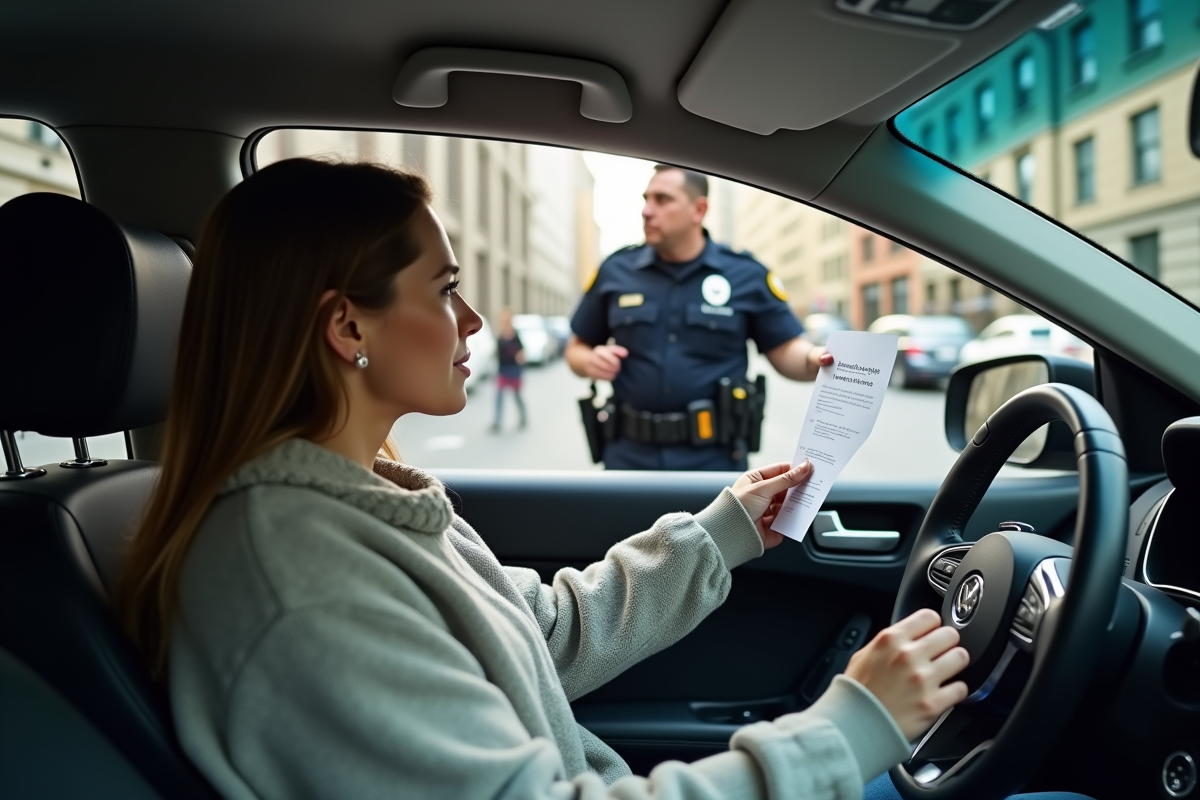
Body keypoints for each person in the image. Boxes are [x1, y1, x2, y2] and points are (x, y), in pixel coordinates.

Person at [114, 159, 1088, 800]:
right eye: (446, 289)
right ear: (347, 326)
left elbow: (533, 634)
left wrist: (722, 531)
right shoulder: (297, 577)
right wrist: (849, 727)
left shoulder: (353, 494)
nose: (476, 326)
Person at [566, 164, 834, 471]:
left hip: (713, 461)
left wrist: (815, 358)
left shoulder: (745, 274)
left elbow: (786, 349)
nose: (647, 211)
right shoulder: (616, 271)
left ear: (699, 209)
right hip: (629, 457)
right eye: (646, 199)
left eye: (662, 199)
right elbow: (576, 347)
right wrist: (588, 361)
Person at [491, 307, 527, 431]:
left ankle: (523, 418)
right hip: (503, 370)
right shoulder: (499, 335)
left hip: (514, 370)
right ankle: (497, 422)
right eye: (502, 319)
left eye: (506, 319)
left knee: (517, 396)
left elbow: (522, 350)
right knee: (499, 396)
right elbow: (496, 354)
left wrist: (520, 356)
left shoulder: (516, 334)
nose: (504, 321)